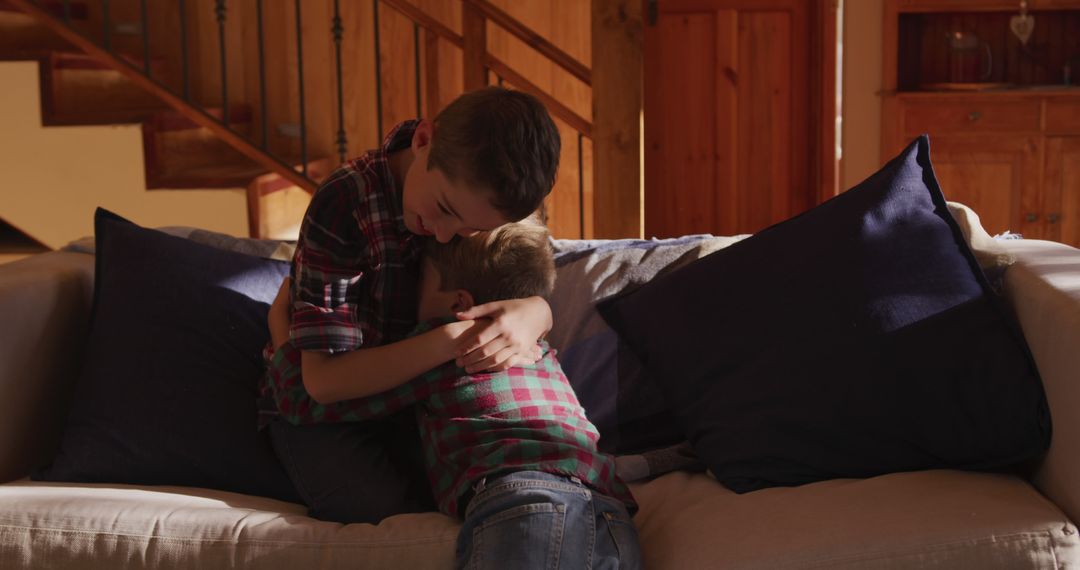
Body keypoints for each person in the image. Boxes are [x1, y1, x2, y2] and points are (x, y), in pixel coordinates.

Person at [259, 87, 562, 521]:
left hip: (414, 398)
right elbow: (322, 383)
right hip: (322, 409)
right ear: (422, 141)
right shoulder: (346, 201)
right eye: (442, 209)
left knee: (473, 492)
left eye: (470, 229)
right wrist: (453, 339)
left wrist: (537, 309)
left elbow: (520, 270)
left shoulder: (491, 195)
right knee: (380, 508)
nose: (442, 235)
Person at [267, 221, 642, 569]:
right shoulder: (533, 345)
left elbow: (307, 401)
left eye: (421, 282)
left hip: (528, 500)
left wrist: (280, 330)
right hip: (610, 510)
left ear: (459, 304)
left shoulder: (447, 345)